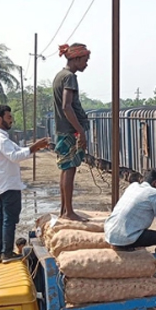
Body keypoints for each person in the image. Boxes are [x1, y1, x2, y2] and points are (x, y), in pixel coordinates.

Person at [0, 105, 49, 264]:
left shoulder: (0, 137)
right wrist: (35, 147)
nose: (11, 120)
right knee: (9, 219)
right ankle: (6, 253)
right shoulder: (0, 138)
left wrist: (33, 147)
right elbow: (15, 156)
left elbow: (19, 150)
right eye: (8, 117)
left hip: (0, 185)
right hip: (7, 185)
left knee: (0, 218)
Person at [53, 43, 91, 222]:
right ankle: (69, 212)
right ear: (75, 58)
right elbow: (67, 107)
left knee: (65, 169)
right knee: (70, 169)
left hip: (62, 130)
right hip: (70, 131)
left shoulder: (59, 76)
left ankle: (64, 210)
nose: (86, 64)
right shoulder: (69, 78)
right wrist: (81, 131)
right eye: (85, 60)